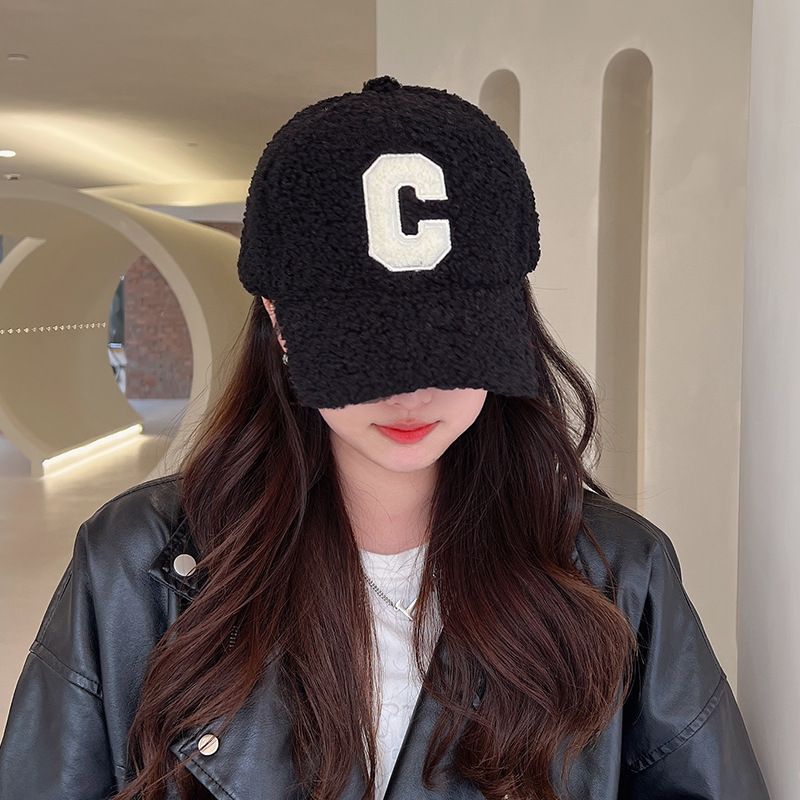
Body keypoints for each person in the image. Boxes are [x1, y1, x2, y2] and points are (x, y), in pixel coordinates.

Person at [0, 75, 770, 800]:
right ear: (278, 319)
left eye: (449, 342)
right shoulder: (132, 565)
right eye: (369, 347)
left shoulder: (620, 572)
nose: (411, 392)